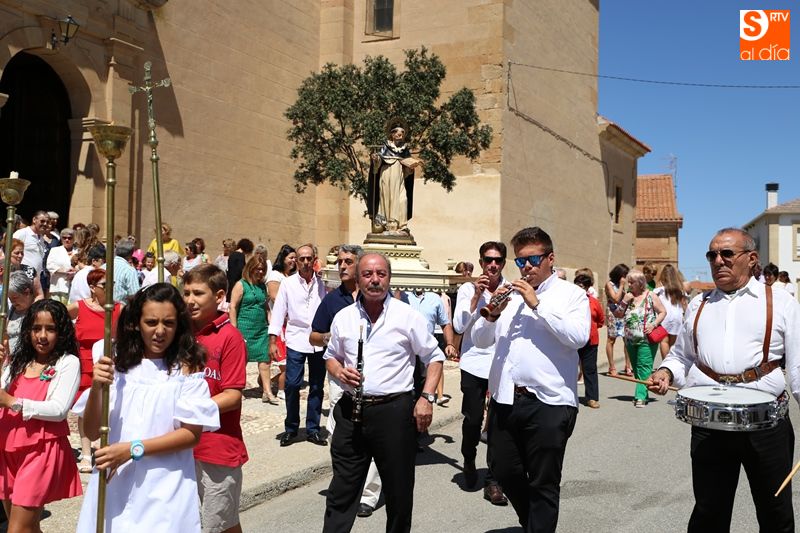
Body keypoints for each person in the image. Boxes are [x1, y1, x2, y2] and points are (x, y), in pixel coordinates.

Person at [649, 227, 800, 533]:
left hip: (768, 426)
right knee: (709, 512)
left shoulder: (780, 302)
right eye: (712, 255)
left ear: (752, 258)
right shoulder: (699, 304)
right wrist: (665, 372)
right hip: (710, 425)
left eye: (727, 254)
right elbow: (681, 356)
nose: (718, 261)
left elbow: (797, 367)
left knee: (776, 512)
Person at [471, 227, 589, 533]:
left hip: (549, 402)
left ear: (550, 258)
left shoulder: (571, 295)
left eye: (534, 259)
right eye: (521, 261)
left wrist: (537, 304)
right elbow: (480, 340)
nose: (527, 266)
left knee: (543, 481)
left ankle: (538, 527)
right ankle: (533, 523)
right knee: (503, 470)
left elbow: (577, 337)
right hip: (506, 399)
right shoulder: (510, 295)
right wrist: (492, 314)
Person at [75, 283, 220, 532]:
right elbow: (90, 429)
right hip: (115, 485)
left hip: (165, 486)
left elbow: (191, 434)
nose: (160, 331)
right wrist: (98, 387)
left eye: (169, 323)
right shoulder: (116, 363)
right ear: (136, 323)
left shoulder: (186, 367)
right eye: (152, 322)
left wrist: (132, 449)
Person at [322, 252, 444, 533]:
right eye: (367, 274)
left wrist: (426, 398)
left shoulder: (407, 316)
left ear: (389, 277)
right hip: (350, 410)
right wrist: (339, 372)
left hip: (394, 412)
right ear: (358, 278)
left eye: (381, 274)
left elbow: (434, 358)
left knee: (399, 493)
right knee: (341, 490)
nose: (374, 280)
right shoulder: (344, 317)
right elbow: (331, 356)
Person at [310, 244, 381, 518]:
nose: (341, 266)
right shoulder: (331, 299)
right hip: (339, 379)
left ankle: (369, 494)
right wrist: (331, 338)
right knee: (339, 435)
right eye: (339, 261)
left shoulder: (378, 296)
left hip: (372, 380)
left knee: (372, 436)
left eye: (347, 261)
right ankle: (346, 485)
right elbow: (313, 336)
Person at [0, 300, 82, 532]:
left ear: (62, 331)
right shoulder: (18, 360)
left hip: (41, 449)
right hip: (6, 448)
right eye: (36, 329)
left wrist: (12, 402)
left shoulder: (68, 362)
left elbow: (58, 410)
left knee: (17, 529)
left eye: (50, 329)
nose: (42, 336)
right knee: (29, 527)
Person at [183, 265, 248, 533]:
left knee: (216, 525)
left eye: (198, 293)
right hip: (182, 446)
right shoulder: (180, 333)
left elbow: (232, 396)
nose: (189, 300)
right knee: (223, 524)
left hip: (217, 448)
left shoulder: (229, 337)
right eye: (186, 292)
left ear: (219, 295)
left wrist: (189, 408)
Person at [452, 241, 508, 505]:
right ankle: (469, 459)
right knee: (473, 420)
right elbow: (459, 325)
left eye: (497, 260)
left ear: (503, 263)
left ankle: (493, 481)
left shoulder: (511, 289)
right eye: (488, 260)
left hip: (501, 363)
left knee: (498, 423)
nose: (492, 264)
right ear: (482, 262)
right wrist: (476, 296)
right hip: (474, 362)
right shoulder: (466, 288)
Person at [268, 244, 327, 447]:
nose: (304, 262)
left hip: (318, 340)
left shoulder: (323, 283)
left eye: (308, 258)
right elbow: (278, 311)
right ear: (296, 261)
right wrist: (273, 339)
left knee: (317, 386)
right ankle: (291, 428)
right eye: (300, 258)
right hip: (296, 338)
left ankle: (313, 429)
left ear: (314, 260)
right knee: (292, 384)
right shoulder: (288, 283)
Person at [68, 269, 122, 473]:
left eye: (111, 284)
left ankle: (106, 447)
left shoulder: (119, 309)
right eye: (104, 285)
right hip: (85, 365)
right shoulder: (79, 307)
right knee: (84, 408)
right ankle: (86, 453)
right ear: (92, 287)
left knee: (110, 406)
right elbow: (58, 319)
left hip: (110, 364)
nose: (109, 289)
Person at [613, 269, 666, 407]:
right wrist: (624, 301)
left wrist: (654, 324)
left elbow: (663, 312)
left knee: (644, 367)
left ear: (640, 283)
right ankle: (645, 391)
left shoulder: (651, 295)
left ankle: (640, 397)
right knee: (637, 370)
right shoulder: (628, 296)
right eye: (628, 282)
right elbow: (618, 314)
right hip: (630, 340)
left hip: (646, 340)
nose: (629, 284)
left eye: (632, 282)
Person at [229, 256, 275, 404]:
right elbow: (233, 306)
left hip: (261, 329)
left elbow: (266, 306)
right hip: (244, 328)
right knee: (241, 361)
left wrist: (271, 323)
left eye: (263, 269)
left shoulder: (262, 286)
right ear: (251, 268)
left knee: (265, 360)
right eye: (258, 268)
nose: (260, 272)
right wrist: (234, 329)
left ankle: (267, 392)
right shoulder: (241, 285)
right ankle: (237, 389)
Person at [366, 119, 422, 235]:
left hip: (400, 179)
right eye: (396, 132)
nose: (399, 134)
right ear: (392, 134)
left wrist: (410, 167)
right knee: (388, 198)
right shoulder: (385, 148)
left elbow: (407, 171)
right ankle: (388, 224)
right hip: (387, 177)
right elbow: (377, 165)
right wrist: (376, 159)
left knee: (402, 199)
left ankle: (402, 226)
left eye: (402, 133)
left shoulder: (404, 150)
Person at [267, 245, 296, 400]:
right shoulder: (275, 276)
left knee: (288, 360)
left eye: (294, 258)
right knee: (284, 362)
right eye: (290, 257)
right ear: (283, 258)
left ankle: (269, 383)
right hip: (279, 324)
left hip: (290, 323)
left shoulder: (291, 276)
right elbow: (274, 297)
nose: (293, 261)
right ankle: (281, 390)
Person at [574, 274, 604, 408]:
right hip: (572, 339)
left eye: (580, 286)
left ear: (586, 288)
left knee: (589, 369)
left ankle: (592, 397)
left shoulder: (593, 302)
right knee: (569, 368)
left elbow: (600, 320)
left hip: (590, 341)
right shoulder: (569, 300)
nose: (577, 288)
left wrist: (589, 328)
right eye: (576, 285)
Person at [653, 264, 687, 359]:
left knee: (664, 342)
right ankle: (672, 364)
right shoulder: (680, 291)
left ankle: (665, 364)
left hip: (664, 317)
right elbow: (685, 305)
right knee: (673, 345)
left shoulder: (658, 291)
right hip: (677, 317)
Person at [604, 263, 631, 376]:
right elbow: (615, 298)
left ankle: (628, 366)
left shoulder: (622, 285)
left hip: (623, 314)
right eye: (624, 274)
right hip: (613, 315)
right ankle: (612, 366)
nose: (625, 277)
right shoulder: (609, 284)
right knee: (611, 340)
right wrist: (621, 286)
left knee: (627, 340)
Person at [6, 272, 36, 354]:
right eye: (10, 298)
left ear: (27, 292)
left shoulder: (37, 311)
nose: (12, 302)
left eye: (15, 297)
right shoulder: (11, 310)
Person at [46, 228, 77, 304]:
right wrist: (65, 271)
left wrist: (75, 272)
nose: (67, 240)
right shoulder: (55, 250)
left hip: (74, 286)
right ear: (61, 239)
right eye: (64, 238)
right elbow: (50, 266)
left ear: (73, 239)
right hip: (58, 285)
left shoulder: (78, 251)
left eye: (69, 238)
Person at [12, 211, 48, 276]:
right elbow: (8, 252)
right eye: (42, 221)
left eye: (47, 222)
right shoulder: (22, 233)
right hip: (22, 274)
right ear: (34, 220)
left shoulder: (41, 238)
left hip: (36, 276)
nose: (45, 224)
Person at [113, 239, 141, 303]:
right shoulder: (129, 270)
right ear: (131, 254)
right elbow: (134, 294)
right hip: (120, 309)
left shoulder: (104, 266)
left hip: (100, 309)